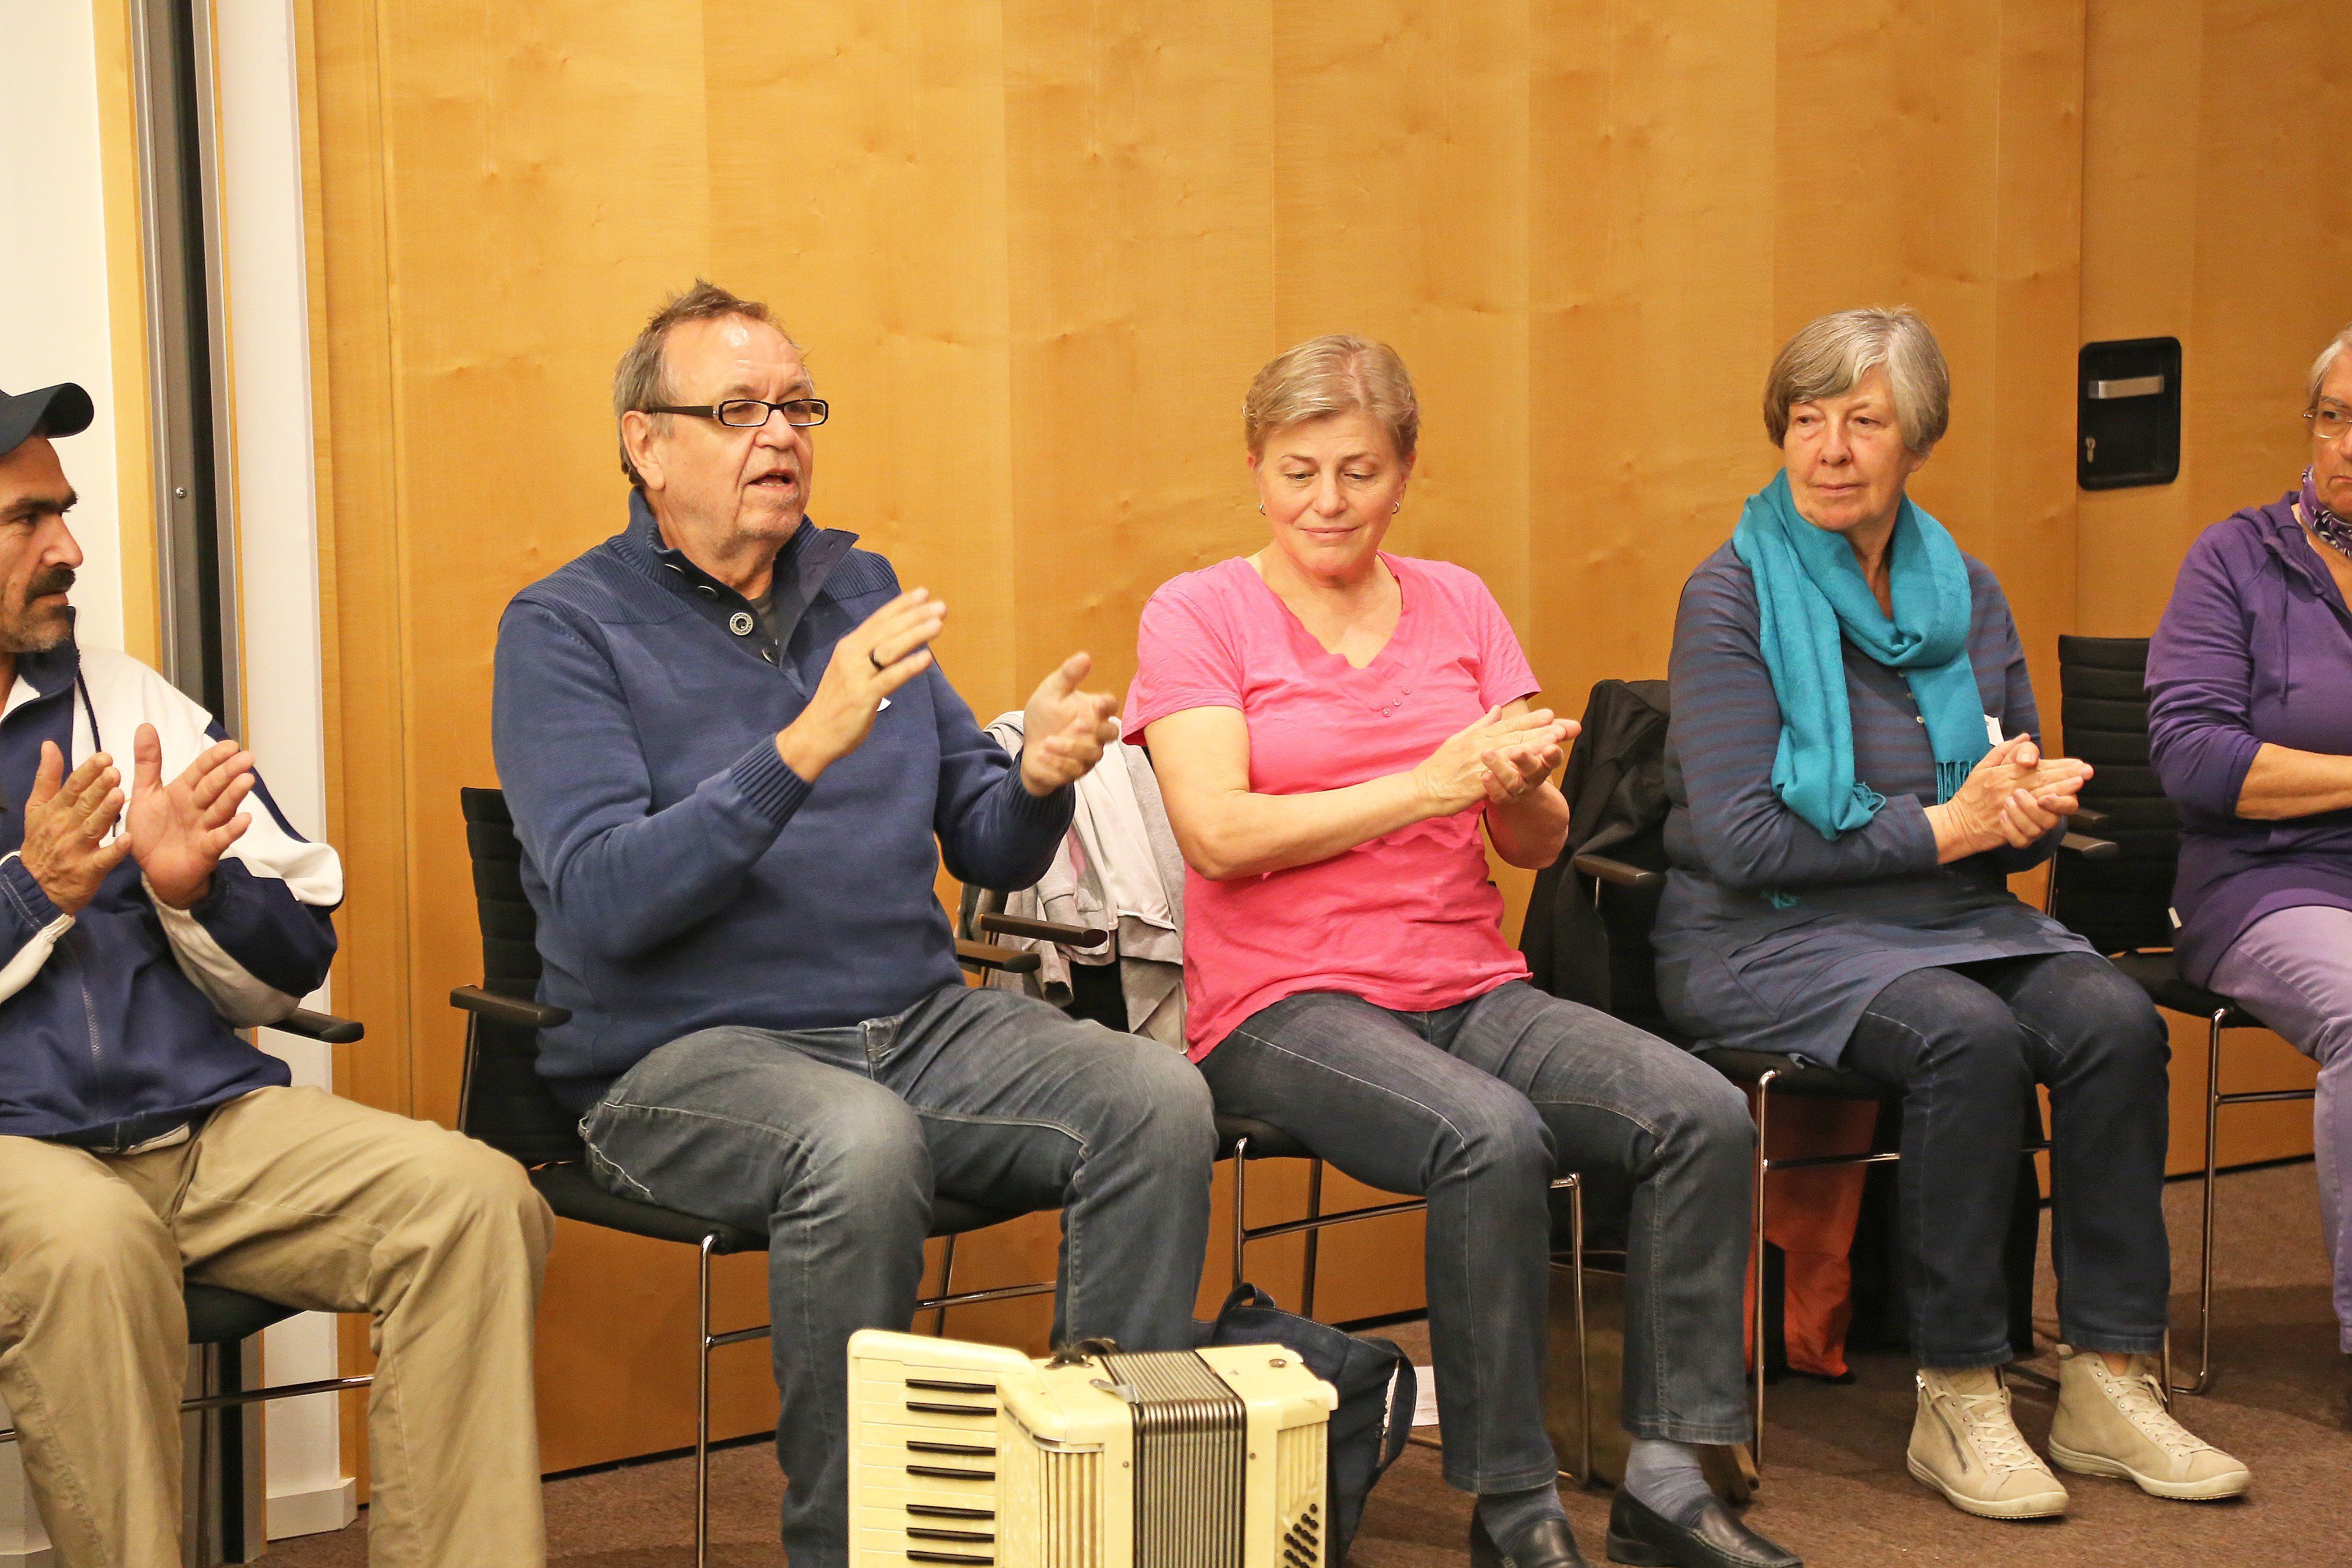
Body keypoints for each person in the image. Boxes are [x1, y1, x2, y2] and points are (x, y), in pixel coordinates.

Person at [492, 282, 1217, 1568]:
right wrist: (801, 747)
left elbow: (984, 839)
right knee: (859, 1142)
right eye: (737, 410)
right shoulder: (564, 629)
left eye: (797, 406)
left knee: (1156, 1097)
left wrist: (1038, 778)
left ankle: (1102, 1520)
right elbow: (604, 898)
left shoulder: (857, 589)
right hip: (676, 1059)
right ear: (645, 443)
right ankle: (850, 1547)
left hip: (915, 1025)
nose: (780, 434)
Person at [1128, 335, 1798, 1568]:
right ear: (1257, 469)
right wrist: (1428, 782)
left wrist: (1523, 785)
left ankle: (1665, 1480)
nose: (1328, 502)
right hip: (1283, 1003)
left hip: (1468, 982)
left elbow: (1535, 844)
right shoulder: (1199, 612)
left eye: (1360, 472)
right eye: (1298, 473)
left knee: (1699, 1114)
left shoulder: (1459, 602)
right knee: (1490, 1137)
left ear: (1405, 471)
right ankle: (1515, 1505)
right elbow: (1218, 836)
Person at [1652, 307, 2249, 1522]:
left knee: (2113, 1019)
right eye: (1806, 420)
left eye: (1863, 422)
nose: (1829, 449)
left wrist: (2027, 806)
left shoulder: (1962, 589)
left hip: (1951, 920)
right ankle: (1961, 1389)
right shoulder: (1729, 594)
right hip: (1765, 934)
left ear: (1917, 442)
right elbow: (1743, 840)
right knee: (1964, 1039)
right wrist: (1945, 827)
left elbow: (2002, 791)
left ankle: (2107, 1374)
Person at [0, 382, 553, 1568]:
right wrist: (28, 892)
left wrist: (196, 889)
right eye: (28, 520)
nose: (69, 549)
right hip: (20, 1161)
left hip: (202, 1130)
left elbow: (303, 938)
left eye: (66, 513)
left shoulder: (128, 701)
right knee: (95, 1246)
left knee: (473, 1201)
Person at [2148, 321, 2352, 1359]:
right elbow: (2192, 758)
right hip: (2269, 882)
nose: (2347, 446)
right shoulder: (2237, 559)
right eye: (2334, 417)